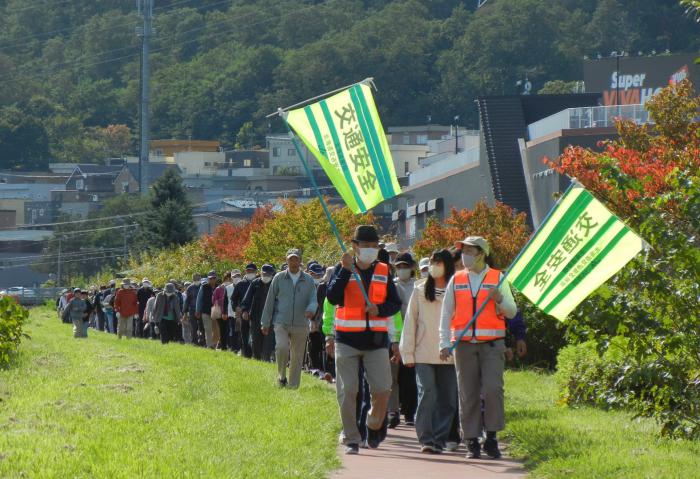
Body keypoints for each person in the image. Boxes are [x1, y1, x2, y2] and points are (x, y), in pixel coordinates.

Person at [439, 236, 518, 460]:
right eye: (464, 250)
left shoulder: (497, 277)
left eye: (470, 251)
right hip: (463, 345)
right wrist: (444, 343)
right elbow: (446, 315)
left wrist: (500, 299)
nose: (465, 255)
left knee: (493, 390)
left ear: (482, 254)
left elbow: (511, 312)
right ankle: (471, 440)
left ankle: (491, 437)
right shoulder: (457, 279)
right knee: (468, 393)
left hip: (492, 344)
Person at [326, 225, 402, 454]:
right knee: (348, 389)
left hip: (376, 341)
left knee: (382, 389)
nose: (370, 250)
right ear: (354, 247)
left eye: (373, 246)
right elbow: (332, 297)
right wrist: (344, 271)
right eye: (365, 246)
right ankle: (351, 437)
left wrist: (378, 309)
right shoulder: (343, 268)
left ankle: (374, 423)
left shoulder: (383, 270)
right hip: (346, 340)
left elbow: (395, 303)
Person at [400, 249, 458, 454]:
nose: (434, 266)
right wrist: (407, 353)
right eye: (432, 261)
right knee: (428, 392)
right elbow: (410, 323)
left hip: (450, 354)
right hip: (423, 352)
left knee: (449, 399)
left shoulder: (457, 290)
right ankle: (426, 438)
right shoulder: (419, 289)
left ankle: (439, 439)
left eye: (438, 262)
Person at [261, 249, 317, 389]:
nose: (293, 262)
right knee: (281, 348)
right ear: (286, 261)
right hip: (281, 322)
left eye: (296, 259)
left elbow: (313, 299)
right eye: (291, 259)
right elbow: (270, 301)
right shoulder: (279, 278)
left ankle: (293, 386)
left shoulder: (308, 280)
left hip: (301, 323)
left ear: (300, 261)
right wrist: (265, 322)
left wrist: (311, 310)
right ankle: (281, 376)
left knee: (297, 356)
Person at [388, 252, 418, 429]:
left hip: (414, 335)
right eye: (399, 267)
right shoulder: (392, 286)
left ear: (412, 267)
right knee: (393, 375)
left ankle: (410, 411)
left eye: (405, 266)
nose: (402, 270)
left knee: (410, 376)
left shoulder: (419, 286)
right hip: (395, 334)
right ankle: (393, 411)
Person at [241, 264, 276, 361]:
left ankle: (266, 360)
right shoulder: (255, 283)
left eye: (268, 274)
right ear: (260, 273)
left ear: (272, 274)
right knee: (255, 340)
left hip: (271, 318)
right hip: (255, 317)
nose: (266, 276)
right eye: (264, 274)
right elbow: (247, 299)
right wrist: (245, 310)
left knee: (268, 341)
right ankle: (256, 359)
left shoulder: (275, 284)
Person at [231, 263, 258, 357]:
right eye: (248, 271)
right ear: (245, 272)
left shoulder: (259, 282)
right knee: (245, 335)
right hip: (244, 314)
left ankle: (256, 355)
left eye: (252, 271)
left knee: (255, 336)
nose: (250, 272)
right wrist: (236, 307)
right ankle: (246, 355)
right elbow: (233, 299)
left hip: (257, 314)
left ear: (256, 272)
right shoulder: (240, 284)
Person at [307, 262, 327, 372]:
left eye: (320, 275)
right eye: (315, 275)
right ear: (310, 274)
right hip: (309, 319)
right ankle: (315, 368)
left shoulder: (324, 287)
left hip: (321, 320)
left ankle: (324, 369)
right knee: (313, 345)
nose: (318, 277)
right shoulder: (306, 286)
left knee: (321, 345)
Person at [195, 271, 218, 348]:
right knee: (208, 328)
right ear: (208, 279)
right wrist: (198, 310)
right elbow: (199, 299)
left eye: (214, 278)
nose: (212, 280)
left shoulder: (219, 287)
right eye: (210, 278)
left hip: (216, 311)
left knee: (215, 328)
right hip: (205, 311)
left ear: (216, 278)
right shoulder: (204, 287)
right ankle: (209, 345)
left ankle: (215, 344)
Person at [212, 274, 230, 350]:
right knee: (223, 330)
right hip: (219, 312)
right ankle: (223, 346)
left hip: (229, 312)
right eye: (227, 278)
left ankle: (227, 345)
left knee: (228, 329)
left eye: (230, 279)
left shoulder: (232, 287)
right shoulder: (218, 289)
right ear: (224, 279)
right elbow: (213, 300)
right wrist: (221, 300)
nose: (229, 280)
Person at [226, 270, 242, 352]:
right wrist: (224, 312)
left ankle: (240, 348)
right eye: (235, 276)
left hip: (242, 314)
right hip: (231, 313)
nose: (236, 278)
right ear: (231, 278)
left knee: (241, 332)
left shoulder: (245, 286)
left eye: (238, 276)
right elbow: (225, 301)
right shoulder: (227, 288)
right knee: (232, 331)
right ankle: (233, 348)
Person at [183, 273, 202, 345]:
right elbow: (187, 301)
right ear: (193, 280)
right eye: (195, 279)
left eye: (198, 279)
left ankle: (202, 341)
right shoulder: (190, 288)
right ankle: (194, 342)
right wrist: (185, 312)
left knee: (202, 327)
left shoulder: (203, 287)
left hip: (201, 310)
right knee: (193, 327)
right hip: (192, 310)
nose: (197, 280)